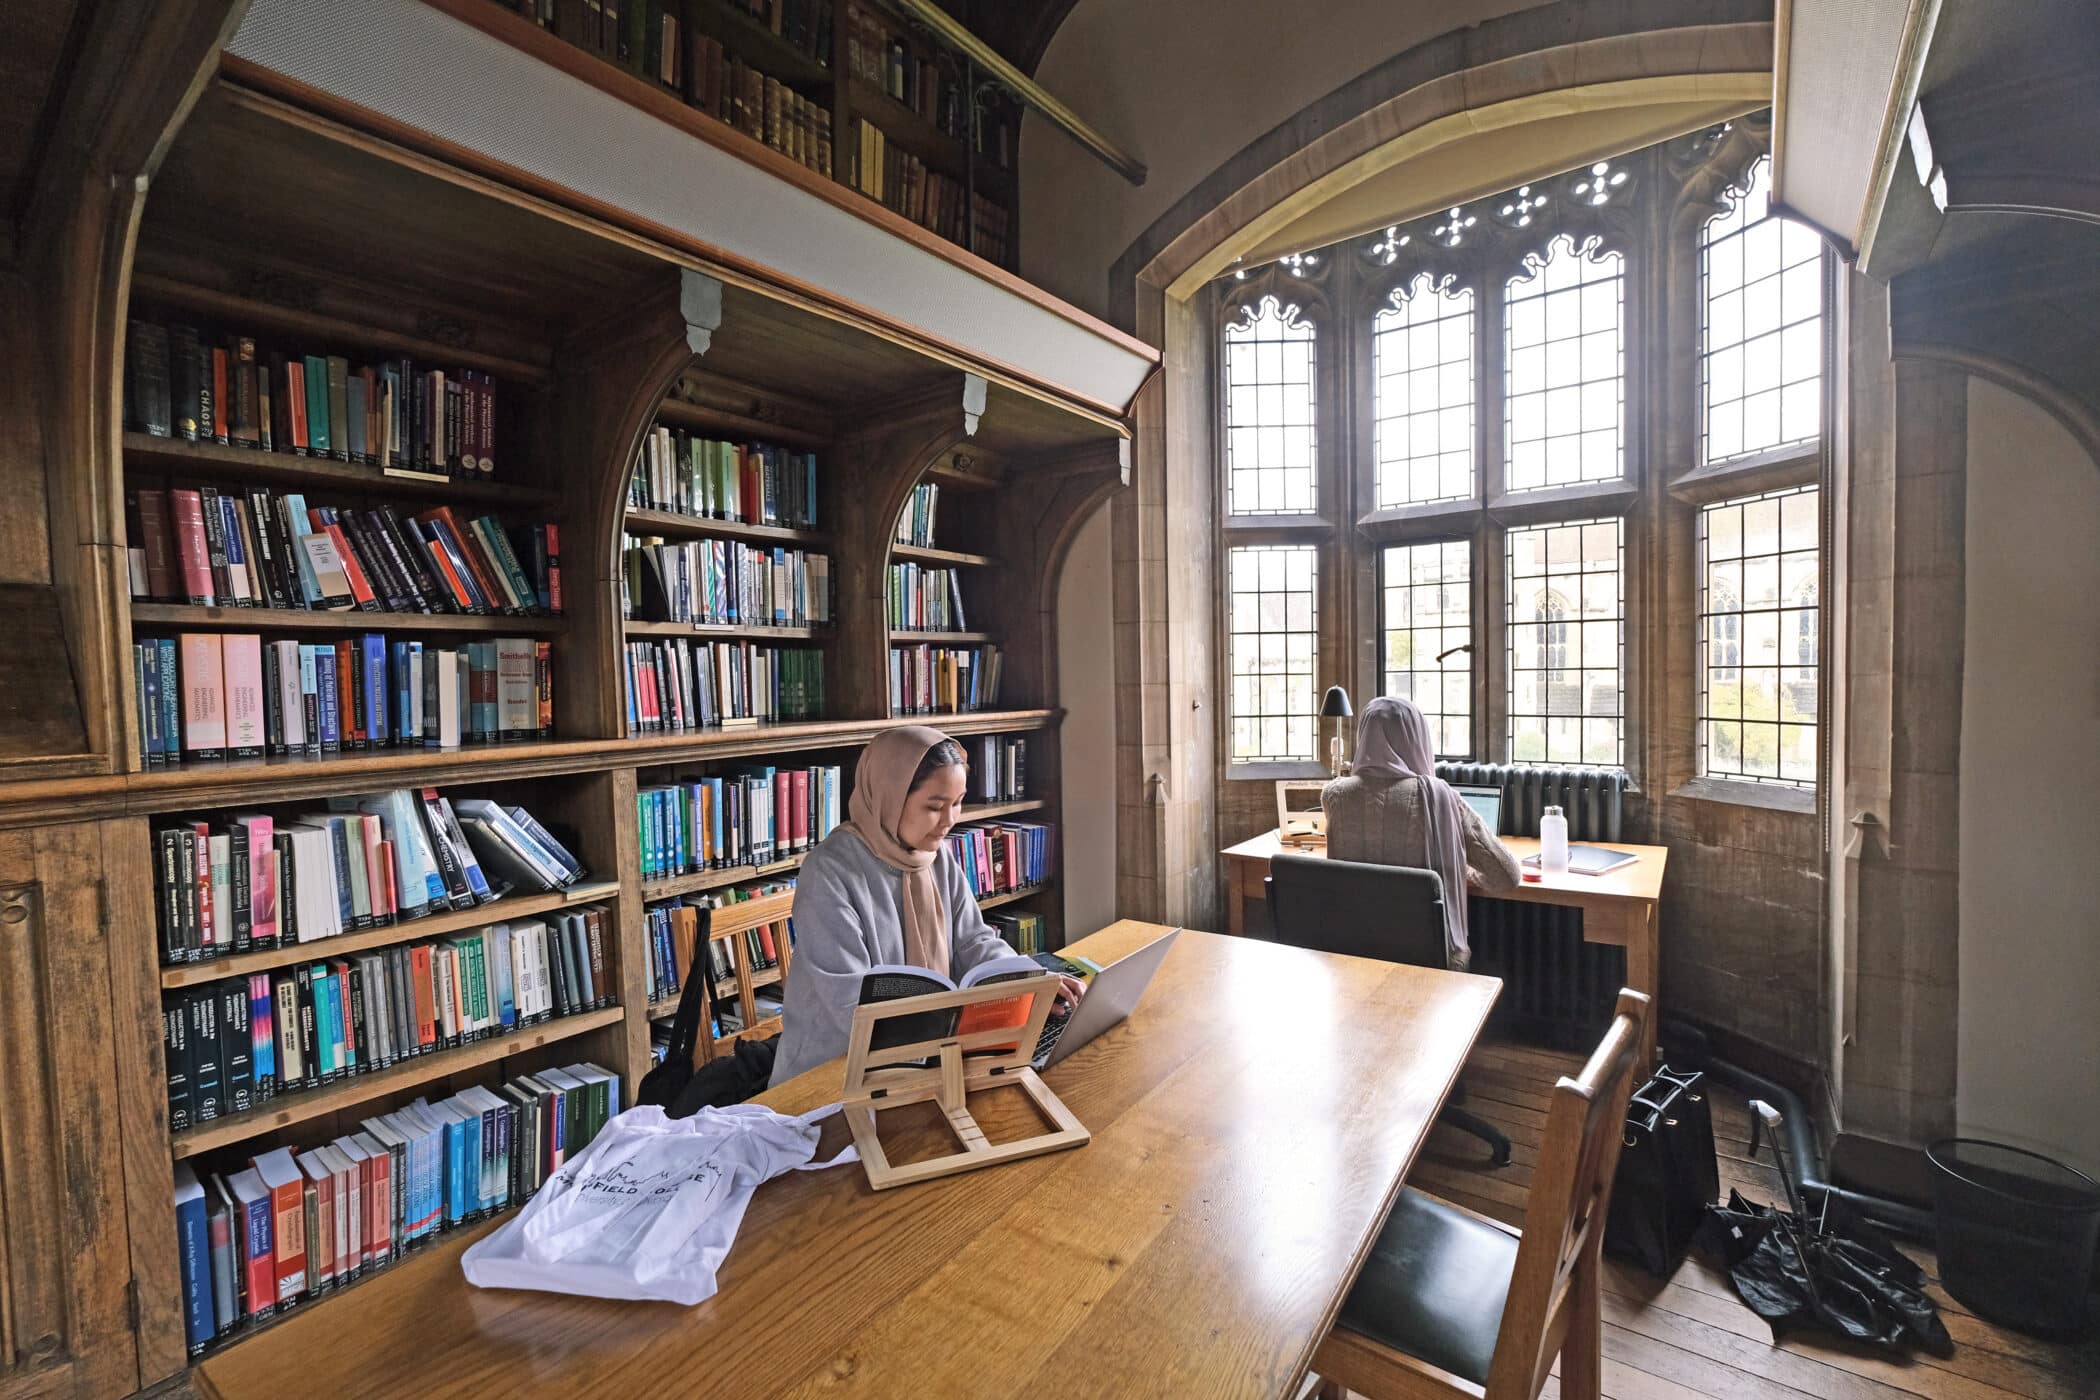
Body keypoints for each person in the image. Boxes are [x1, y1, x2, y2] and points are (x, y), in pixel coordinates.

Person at [770, 725, 1085, 1086]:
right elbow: (849, 1002)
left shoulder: (936, 855)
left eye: (958, 802)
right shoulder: (828, 871)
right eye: (935, 806)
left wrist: (1031, 981)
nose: (951, 820)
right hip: (832, 1072)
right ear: (890, 797)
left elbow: (973, 941)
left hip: (928, 1057)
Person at [1321, 696, 1519, 971]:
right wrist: (1461, 871)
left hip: (1354, 953)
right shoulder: (1441, 797)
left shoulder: (1335, 795)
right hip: (1430, 957)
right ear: (1417, 738)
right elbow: (1507, 875)